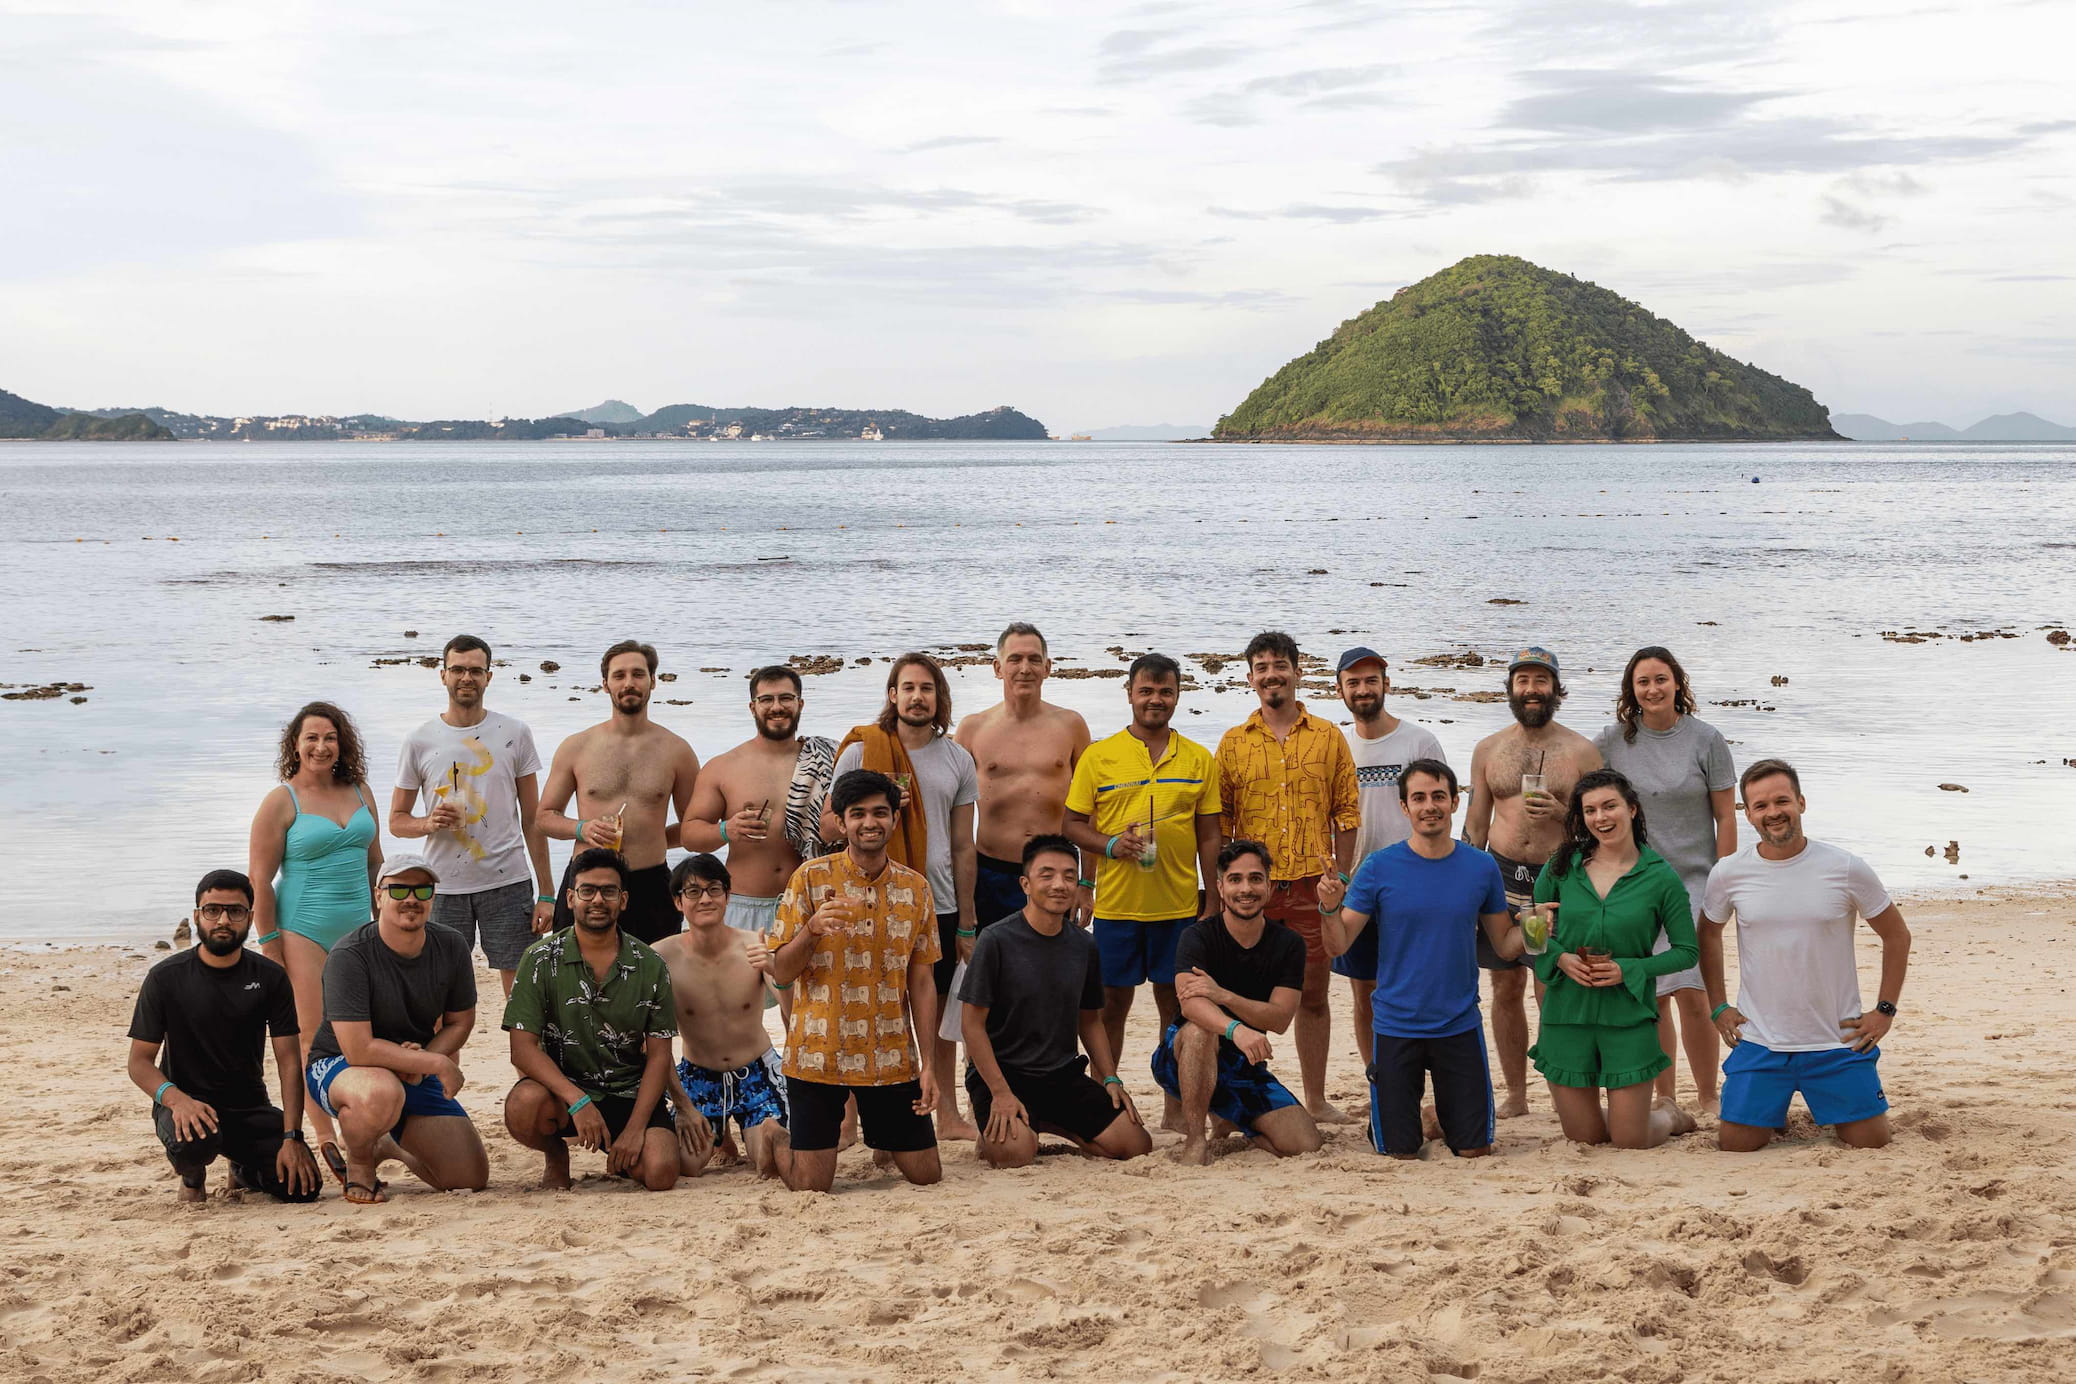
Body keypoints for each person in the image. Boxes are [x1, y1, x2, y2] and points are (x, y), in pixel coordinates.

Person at [1699, 760, 1911, 1153]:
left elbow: (1897, 935)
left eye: (1782, 801)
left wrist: (1884, 1010)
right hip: (1761, 1039)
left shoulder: (1845, 867)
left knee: (1871, 1143)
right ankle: (1770, 1106)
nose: (1773, 812)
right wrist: (1718, 1006)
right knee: (1736, 1145)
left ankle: (1818, 1100)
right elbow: (1709, 934)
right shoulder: (1728, 872)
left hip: (1837, 1041)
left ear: (1801, 802)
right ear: (1748, 814)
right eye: (1760, 805)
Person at [1320, 760, 1526, 1159]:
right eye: (1418, 798)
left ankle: (1434, 1116)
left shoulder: (1481, 866)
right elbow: (1338, 945)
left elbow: (1504, 945)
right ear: (1404, 807)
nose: (1429, 806)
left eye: (1438, 797)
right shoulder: (1379, 867)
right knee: (1399, 1152)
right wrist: (1329, 909)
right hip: (1397, 1025)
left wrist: (1541, 928)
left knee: (1474, 1152)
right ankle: (1418, 1118)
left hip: (1458, 1023)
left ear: (1454, 802)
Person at [1062, 653, 1222, 1132]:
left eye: (1165, 691)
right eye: (1146, 691)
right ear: (1129, 693)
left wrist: (1211, 900)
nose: (1156, 700)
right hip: (1116, 908)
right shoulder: (1099, 755)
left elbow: (1210, 833)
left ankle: (1175, 1105)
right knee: (1110, 1007)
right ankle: (1106, 1100)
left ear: (1177, 695)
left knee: (1174, 1008)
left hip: (1178, 907)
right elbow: (1071, 824)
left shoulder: (1197, 758)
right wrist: (1110, 845)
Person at [823, 653, 980, 1140]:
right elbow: (830, 823)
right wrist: (882, 804)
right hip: (866, 897)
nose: (917, 697)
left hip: (938, 901)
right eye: (907, 687)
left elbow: (962, 845)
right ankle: (849, 1117)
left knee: (933, 1008)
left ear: (939, 698)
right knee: (861, 1003)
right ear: (892, 696)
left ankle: (948, 1113)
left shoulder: (957, 758)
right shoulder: (863, 750)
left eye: (927, 689)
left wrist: (969, 920)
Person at [773, 769, 944, 1191]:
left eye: (880, 813)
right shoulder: (810, 878)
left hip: (889, 1058)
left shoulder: (916, 889)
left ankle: (882, 1138)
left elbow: (922, 983)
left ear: (894, 820)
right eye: (858, 814)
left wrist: (929, 1067)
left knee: (927, 1176)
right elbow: (780, 971)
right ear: (841, 821)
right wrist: (811, 929)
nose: (870, 822)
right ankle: (776, 1139)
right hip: (817, 1057)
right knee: (811, 1185)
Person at [1215, 631, 1359, 1125]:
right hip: (1251, 890)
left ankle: (1315, 1099)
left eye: (1280, 665)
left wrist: (1339, 878)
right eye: (1261, 667)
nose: (1271, 674)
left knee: (1313, 995)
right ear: (1250, 677)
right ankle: (1233, 1103)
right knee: (1237, 1000)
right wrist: (1221, 887)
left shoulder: (1328, 736)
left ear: (1298, 672)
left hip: (1308, 886)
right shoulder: (1234, 742)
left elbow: (1346, 813)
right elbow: (1222, 822)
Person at [1593, 646, 1737, 1114]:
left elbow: (1725, 817)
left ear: (1677, 683)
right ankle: (1666, 1098)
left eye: (1660, 679)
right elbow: (1591, 805)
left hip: (1696, 879)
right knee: (1652, 994)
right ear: (1630, 691)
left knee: (1692, 989)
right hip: (1636, 882)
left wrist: (1727, 880)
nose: (1652, 689)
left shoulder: (1706, 739)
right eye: (1642, 682)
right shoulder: (1611, 743)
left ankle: (1709, 1095)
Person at [1523, 770, 1701, 1148]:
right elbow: (1532, 935)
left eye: (1609, 806)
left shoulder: (1660, 877)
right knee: (1584, 1136)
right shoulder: (1560, 865)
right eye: (1590, 811)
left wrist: (1630, 968)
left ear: (1632, 809)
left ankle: (1667, 1113)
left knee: (1629, 1139)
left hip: (1628, 1016)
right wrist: (1560, 957)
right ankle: (1627, 1114)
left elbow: (1687, 951)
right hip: (1566, 1014)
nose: (1600, 818)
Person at [1464, 647, 1602, 1119]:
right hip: (1502, 879)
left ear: (1555, 688)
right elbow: (1476, 823)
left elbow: (1603, 823)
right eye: (1522, 680)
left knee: (1552, 984)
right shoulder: (1489, 750)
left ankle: (1563, 1085)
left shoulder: (1581, 751)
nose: (1531, 690)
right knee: (1504, 985)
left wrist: (1566, 815)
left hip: (1553, 883)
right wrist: (1464, 880)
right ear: (1510, 689)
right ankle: (1518, 1094)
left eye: (1540, 681)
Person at [126, 869, 321, 1203]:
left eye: (235, 911)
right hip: (185, 1106)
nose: (223, 920)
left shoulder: (270, 977)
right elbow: (139, 1063)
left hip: (248, 1107)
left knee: (304, 1188)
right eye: (212, 910)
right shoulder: (165, 978)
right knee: (195, 1142)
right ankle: (192, 1177)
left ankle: (242, 1168)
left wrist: (293, 1136)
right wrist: (175, 1100)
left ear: (250, 917)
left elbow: (290, 1062)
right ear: (197, 916)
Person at [304, 854, 489, 1203]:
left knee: (468, 1178)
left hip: (410, 1069)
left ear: (433, 897)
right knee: (381, 1093)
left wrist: (424, 1059)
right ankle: (360, 1162)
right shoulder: (350, 954)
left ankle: (388, 1142)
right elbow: (358, 1049)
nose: (411, 899)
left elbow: (461, 1021)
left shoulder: (451, 945)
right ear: (378, 896)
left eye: (422, 890)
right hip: (341, 1066)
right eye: (399, 888)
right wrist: (433, 1064)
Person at [959, 835, 1150, 1167]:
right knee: (1013, 1155)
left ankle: (1045, 1123)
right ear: (1026, 884)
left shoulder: (1083, 946)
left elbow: (1090, 1020)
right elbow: (971, 1025)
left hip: (1060, 1075)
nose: (1059, 885)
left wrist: (1110, 1078)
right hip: (1004, 1075)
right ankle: (1017, 1129)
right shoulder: (995, 940)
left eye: (1069, 876)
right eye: (1046, 875)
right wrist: (1001, 1093)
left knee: (1136, 1144)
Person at [502, 848, 684, 1191]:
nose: (598, 899)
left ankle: (621, 1152)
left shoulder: (651, 964)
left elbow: (660, 1055)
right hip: (564, 1092)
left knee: (661, 1173)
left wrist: (634, 1129)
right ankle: (557, 1154)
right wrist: (578, 1100)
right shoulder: (539, 959)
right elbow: (522, 1050)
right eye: (588, 890)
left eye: (609, 891)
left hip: (629, 1090)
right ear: (570, 898)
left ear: (624, 900)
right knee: (523, 1105)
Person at [248, 700, 380, 1166]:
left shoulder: (361, 789)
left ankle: (360, 1116)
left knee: (358, 1028)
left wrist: (382, 922)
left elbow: (374, 862)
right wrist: (270, 946)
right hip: (301, 927)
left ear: (341, 743)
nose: (321, 746)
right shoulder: (282, 800)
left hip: (360, 928)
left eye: (329, 737)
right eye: (311, 738)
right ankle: (324, 1135)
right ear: (296, 745)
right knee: (310, 1033)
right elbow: (259, 880)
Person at [388, 633, 556, 997]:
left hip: (508, 882)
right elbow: (397, 821)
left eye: (475, 671)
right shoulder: (419, 739)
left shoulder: (515, 732)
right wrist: (428, 823)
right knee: (439, 992)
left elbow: (533, 818)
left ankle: (524, 1055)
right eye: (458, 670)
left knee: (524, 994)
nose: (467, 678)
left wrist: (547, 892)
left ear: (488, 677)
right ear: (443, 674)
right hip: (445, 885)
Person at [1155, 841, 1321, 1165]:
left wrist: (1224, 995)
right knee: (1201, 1031)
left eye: (1255, 879)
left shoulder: (1288, 944)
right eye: (1235, 880)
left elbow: (1280, 1019)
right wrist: (1235, 1029)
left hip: (1244, 1066)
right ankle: (1195, 1138)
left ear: (1269, 887)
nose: (1246, 889)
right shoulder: (1198, 936)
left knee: (1306, 1143)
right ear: (1220, 886)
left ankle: (1232, 1116)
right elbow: (1190, 1005)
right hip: (1183, 1059)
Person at [1331, 646, 1447, 1076]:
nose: (1363, 690)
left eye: (1371, 681)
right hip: (1358, 886)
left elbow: (1439, 810)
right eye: (1354, 682)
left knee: (1417, 987)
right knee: (1366, 993)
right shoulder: (1338, 745)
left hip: (1414, 886)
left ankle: (1425, 1074)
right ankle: (1378, 1075)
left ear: (1386, 685)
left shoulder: (1419, 742)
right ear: (1340, 689)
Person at [540, 640, 701, 946]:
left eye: (638, 674)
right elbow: (545, 817)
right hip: (587, 879)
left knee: (652, 979)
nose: (629, 683)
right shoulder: (577, 747)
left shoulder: (676, 751)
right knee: (572, 976)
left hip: (650, 882)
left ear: (653, 681)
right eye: (619, 675)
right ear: (605, 684)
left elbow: (695, 826)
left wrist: (653, 838)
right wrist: (582, 828)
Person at [653, 854, 794, 1181]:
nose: (705, 899)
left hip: (756, 1071)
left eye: (714, 890)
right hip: (698, 1077)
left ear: (728, 897)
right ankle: (721, 1139)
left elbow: (792, 1009)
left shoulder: (754, 945)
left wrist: (775, 967)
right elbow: (649, 1032)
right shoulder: (660, 957)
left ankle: (762, 1127)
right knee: (686, 1165)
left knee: (769, 1153)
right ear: (678, 903)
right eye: (693, 892)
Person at [681, 665, 838, 945]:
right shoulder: (723, 767)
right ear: (752, 707)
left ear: (800, 704)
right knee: (738, 990)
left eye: (785, 698)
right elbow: (690, 836)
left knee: (808, 990)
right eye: (767, 700)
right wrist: (726, 830)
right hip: (744, 905)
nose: (777, 707)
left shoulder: (827, 761)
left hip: (808, 905)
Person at [952, 623, 1092, 929]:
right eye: (1015, 659)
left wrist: (1087, 884)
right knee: (995, 967)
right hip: (991, 872)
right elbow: (951, 810)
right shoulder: (973, 729)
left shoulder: (1071, 725)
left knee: (1054, 970)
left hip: (1056, 871)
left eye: (1033, 659)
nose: (1025, 668)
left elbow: (1089, 812)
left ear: (1047, 667)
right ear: (997, 668)